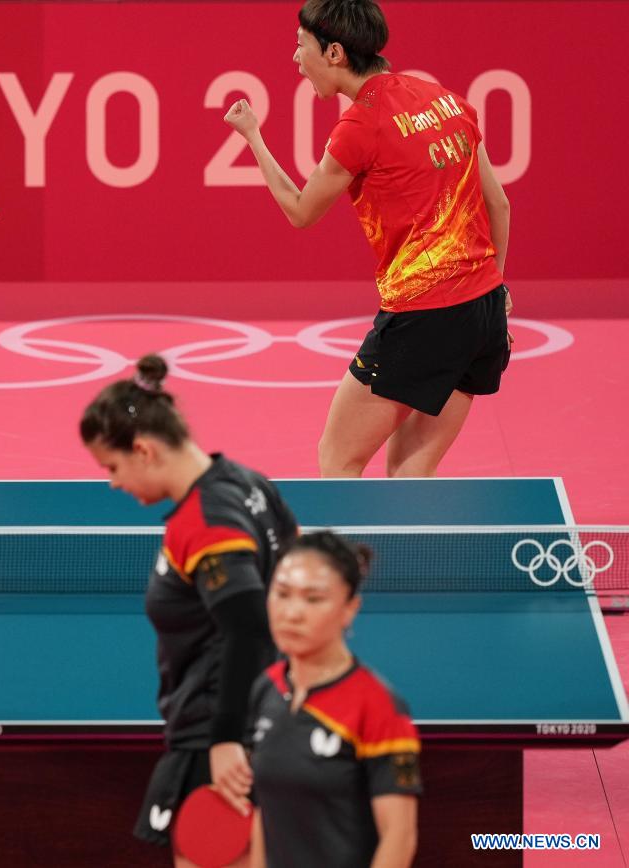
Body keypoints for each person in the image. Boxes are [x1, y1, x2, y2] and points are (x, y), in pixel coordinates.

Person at [224, 0, 512, 479]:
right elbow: (499, 205)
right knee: (410, 471)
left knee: (338, 458)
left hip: (423, 317)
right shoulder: (445, 99)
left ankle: (343, 538)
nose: (296, 58)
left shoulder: (361, 125)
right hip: (483, 314)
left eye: (301, 46)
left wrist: (253, 137)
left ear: (334, 53)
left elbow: (300, 211)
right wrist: (496, 291)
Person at [80, 354, 298, 866]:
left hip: (216, 738)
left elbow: (248, 626)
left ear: (143, 449)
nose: (112, 482)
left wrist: (224, 740)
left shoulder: (203, 519)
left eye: (112, 467)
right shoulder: (250, 483)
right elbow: (296, 577)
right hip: (267, 714)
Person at [247, 531, 421, 868]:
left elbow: (399, 837)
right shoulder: (265, 689)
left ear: (349, 609)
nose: (292, 613)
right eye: (282, 593)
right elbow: (263, 815)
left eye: (313, 599)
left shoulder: (378, 705)